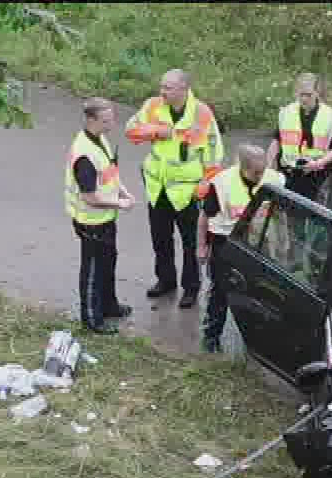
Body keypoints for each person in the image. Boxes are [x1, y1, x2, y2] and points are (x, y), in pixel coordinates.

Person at [125, 69, 224, 310]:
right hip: (158, 188)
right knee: (161, 239)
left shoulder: (201, 113)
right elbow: (131, 131)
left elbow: (214, 154)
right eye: (162, 87)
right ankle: (166, 280)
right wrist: (157, 131)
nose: (162, 92)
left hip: (186, 192)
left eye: (168, 88)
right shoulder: (153, 106)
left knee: (191, 243)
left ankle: (191, 288)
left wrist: (204, 185)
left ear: (183, 89)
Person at [196, 146, 284, 352]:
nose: (261, 175)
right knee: (220, 289)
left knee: (259, 291)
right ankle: (211, 335)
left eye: (263, 170)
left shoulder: (274, 180)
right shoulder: (221, 183)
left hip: (258, 245)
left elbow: (281, 215)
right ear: (242, 168)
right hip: (226, 243)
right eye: (256, 172)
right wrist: (201, 246)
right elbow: (204, 217)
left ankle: (255, 338)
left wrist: (283, 244)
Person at [67, 97, 137, 334]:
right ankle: (91, 319)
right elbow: (90, 197)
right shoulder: (84, 155)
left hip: (106, 218)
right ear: (91, 119)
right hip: (91, 222)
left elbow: (110, 173)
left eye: (112, 118)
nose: (112, 124)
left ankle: (109, 306)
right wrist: (120, 203)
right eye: (106, 120)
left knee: (108, 263)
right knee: (93, 271)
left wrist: (123, 191)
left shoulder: (100, 140)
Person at [264, 73, 332, 206]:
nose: (304, 99)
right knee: (289, 214)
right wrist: (267, 169)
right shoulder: (286, 113)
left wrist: (319, 163)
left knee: (314, 218)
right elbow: (276, 142)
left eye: (308, 95)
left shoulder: (330, 117)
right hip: (289, 174)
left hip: (318, 177)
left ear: (317, 93)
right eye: (301, 94)